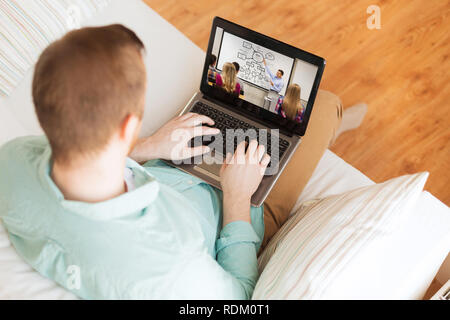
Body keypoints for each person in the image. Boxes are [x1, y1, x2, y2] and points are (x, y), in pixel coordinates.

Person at [0, 25, 343, 299]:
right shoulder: (174, 273)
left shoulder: (11, 161)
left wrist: (149, 146)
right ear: (126, 127)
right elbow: (240, 296)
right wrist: (237, 199)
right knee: (325, 106)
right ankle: (339, 122)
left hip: (169, 165)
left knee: (216, 106)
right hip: (233, 209)